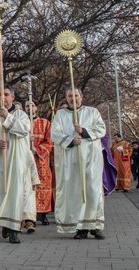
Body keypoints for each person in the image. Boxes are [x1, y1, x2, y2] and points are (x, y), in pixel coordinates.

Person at [52, 88, 106, 240]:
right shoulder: (60, 115)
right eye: (69, 96)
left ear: (81, 97)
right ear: (66, 98)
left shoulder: (92, 112)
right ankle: (81, 227)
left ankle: (95, 226)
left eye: (76, 95)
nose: (73, 98)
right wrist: (70, 140)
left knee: (93, 191)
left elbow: (101, 129)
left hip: (91, 159)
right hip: (71, 160)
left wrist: (83, 131)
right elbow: (54, 134)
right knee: (76, 193)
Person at [0, 87, 31, 244]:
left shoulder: (21, 115)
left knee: (15, 195)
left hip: (16, 162)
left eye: (6, 94)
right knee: (0, 193)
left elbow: (24, 130)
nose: (3, 97)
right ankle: (5, 222)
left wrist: (8, 118)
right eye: (0, 94)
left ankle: (14, 230)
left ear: (13, 97)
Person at [30, 102, 54, 225]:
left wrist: (37, 150)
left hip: (41, 160)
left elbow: (49, 141)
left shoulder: (45, 123)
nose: (29, 108)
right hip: (27, 160)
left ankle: (43, 214)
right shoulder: (22, 123)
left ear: (36, 108)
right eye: (26, 106)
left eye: (32, 105)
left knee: (43, 186)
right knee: (29, 187)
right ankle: (30, 216)